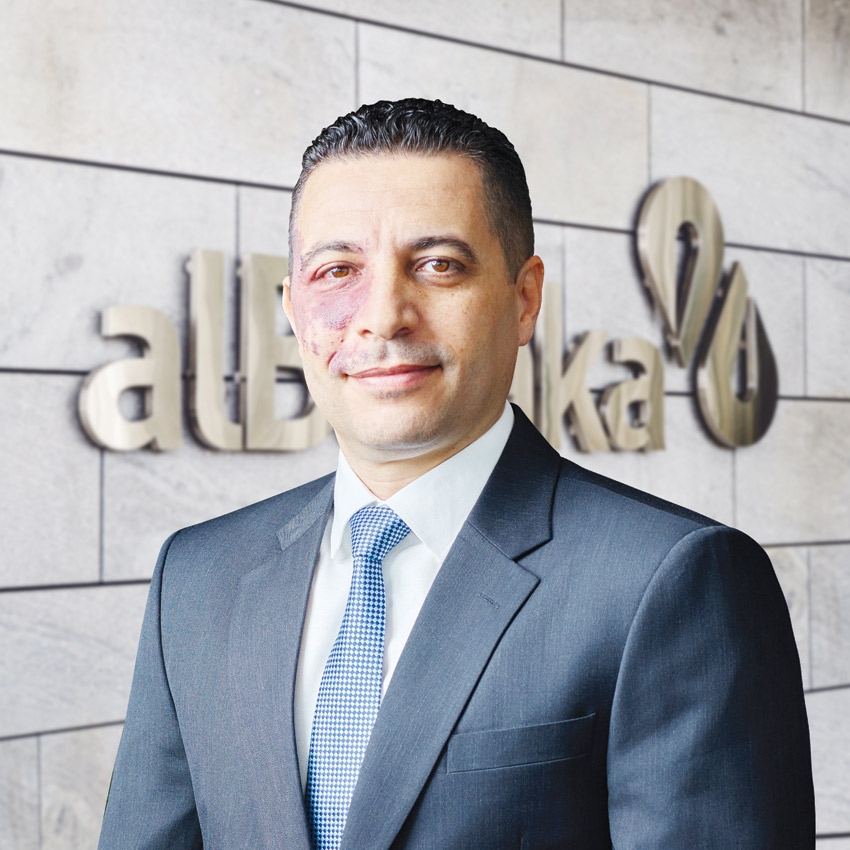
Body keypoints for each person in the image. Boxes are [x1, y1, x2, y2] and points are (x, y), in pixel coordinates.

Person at [98, 98, 814, 850]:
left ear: (525, 298)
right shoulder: (199, 578)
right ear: (294, 308)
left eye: (438, 264)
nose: (383, 315)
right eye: (338, 270)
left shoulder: (671, 582)